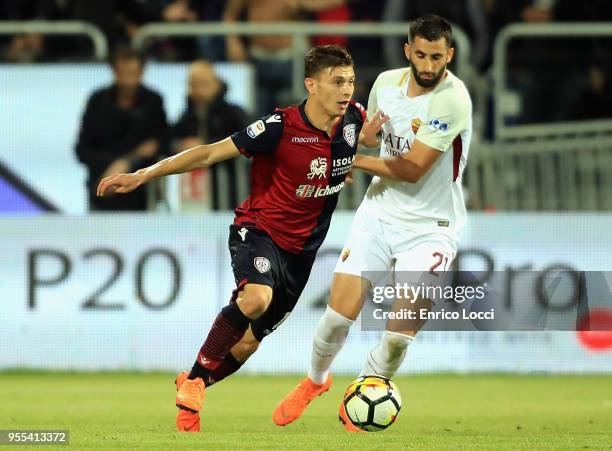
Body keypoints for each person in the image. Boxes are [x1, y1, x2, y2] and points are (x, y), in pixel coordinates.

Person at [97, 45, 386, 432]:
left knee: (247, 344)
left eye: (350, 81)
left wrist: (354, 152)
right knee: (255, 296)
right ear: (311, 85)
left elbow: (355, 141)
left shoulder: (353, 118)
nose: (347, 90)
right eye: (337, 82)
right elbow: (207, 154)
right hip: (260, 229)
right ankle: (197, 381)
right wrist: (143, 174)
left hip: (302, 254)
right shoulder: (279, 127)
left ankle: (193, 384)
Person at [272, 15, 473, 431]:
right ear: (408, 51)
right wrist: (360, 141)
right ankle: (315, 382)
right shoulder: (385, 83)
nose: (429, 64)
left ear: (449, 55)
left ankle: (368, 386)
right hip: (378, 213)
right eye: (421, 54)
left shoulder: (453, 99)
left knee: (398, 335)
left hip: (431, 227)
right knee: (335, 318)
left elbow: (414, 167)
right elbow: (366, 136)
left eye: (437, 56)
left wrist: (347, 161)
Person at [76, 47, 168, 211]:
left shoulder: (153, 101)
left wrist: (128, 163)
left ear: (142, 72)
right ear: (114, 71)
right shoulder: (97, 101)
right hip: (101, 185)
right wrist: (113, 166)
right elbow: (82, 149)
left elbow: (161, 143)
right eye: (124, 72)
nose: (129, 79)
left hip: (142, 190)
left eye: (134, 72)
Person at [172, 60, 250, 209]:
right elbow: (170, 139)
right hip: (195, 196)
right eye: (193, 84)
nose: (197, 90)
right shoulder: (187, 116)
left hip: (230, 189)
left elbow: (246, 140)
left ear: (217, 84)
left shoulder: (234, 112)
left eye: (203, 84)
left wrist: (204, 145)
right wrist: (179, 146)